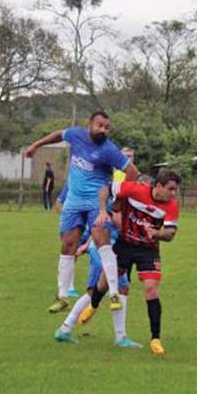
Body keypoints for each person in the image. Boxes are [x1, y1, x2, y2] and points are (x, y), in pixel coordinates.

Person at [25, 110, 139, 314]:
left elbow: (132, 172)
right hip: (73, 201)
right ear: (90, 124)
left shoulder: (109, 149)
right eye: (100, 125)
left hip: (96, 202)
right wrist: (36, 145)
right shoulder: (76, 134)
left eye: (106, 127)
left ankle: (113, 292)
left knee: (101, 242)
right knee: (68, 245)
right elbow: (59, 134)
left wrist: (119, 199)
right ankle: (62, 296)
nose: (103, 129)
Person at [56, 171, 181, 355]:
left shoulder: (171, 206)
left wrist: (157, 234)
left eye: (176, 190)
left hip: (148, 250)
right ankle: (94, 308)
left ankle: (155, 338)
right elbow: (106, 188)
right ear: (159, 186)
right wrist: (104, 209)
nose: (173, 193)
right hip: (124, 246)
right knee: (104, 284)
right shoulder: (134, 189)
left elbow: (170, 234)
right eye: (171, 189)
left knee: (151, 289)